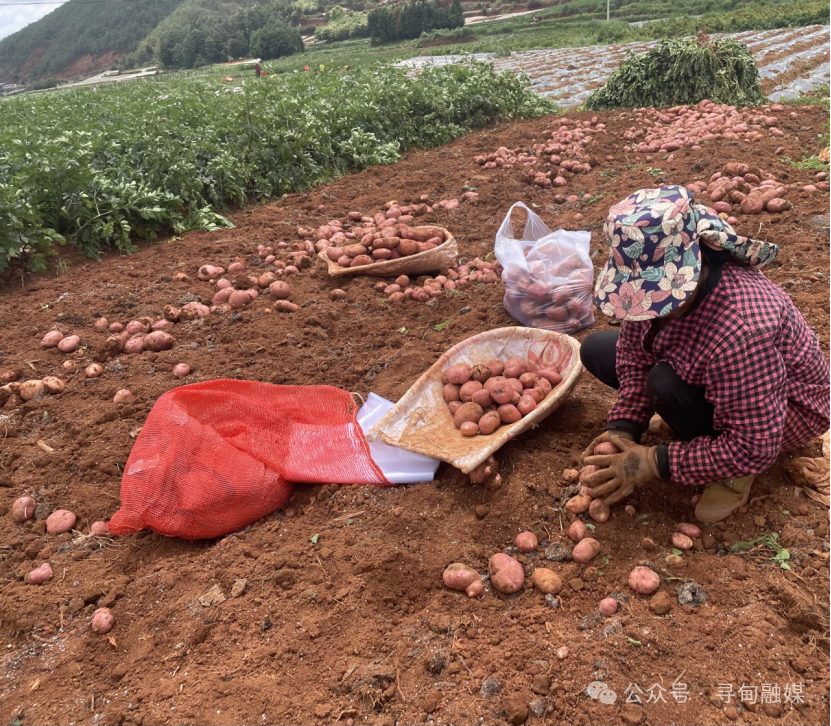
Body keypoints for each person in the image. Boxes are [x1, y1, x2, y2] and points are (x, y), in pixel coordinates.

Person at [578, 186, 830, 522]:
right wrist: (623, 427)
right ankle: (689, 422)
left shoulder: (741, 331)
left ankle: (733, 477)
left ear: (694, 262)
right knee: (596, 350)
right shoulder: (657, 302)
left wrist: (655, 462)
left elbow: (754, 444)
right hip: (722, 374)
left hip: (780, 414)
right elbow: (633, 354)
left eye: (659, 299)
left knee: (664, 385)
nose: (652, 310)